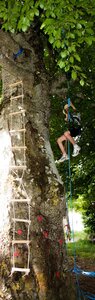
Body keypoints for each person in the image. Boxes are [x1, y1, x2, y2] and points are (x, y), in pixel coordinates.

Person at [56, 99, 81, 163]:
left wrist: (68, 102)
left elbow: (71, 104)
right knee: (59, 140)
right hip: (73, 130)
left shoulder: (74, 111)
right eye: (66, 109)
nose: (66, 109)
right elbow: (67, 118)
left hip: (77, 128)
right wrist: (66, 117)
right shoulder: (69, 117)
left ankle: (76, 146)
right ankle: (64, 155)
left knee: (66, 133)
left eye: (67, 108)